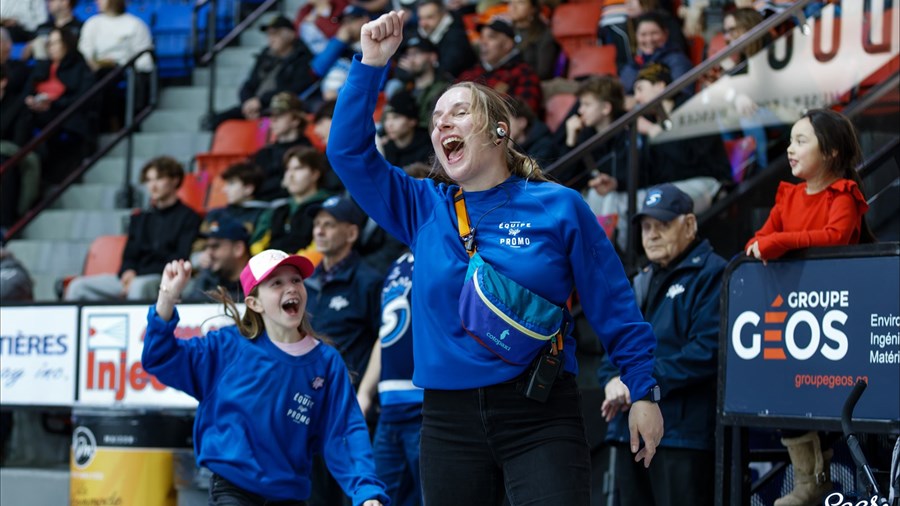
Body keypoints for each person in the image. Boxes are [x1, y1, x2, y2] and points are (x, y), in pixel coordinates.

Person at [327, 11, 664, 505]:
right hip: (447, 421)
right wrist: (370, 66)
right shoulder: (422, 205)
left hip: (541, 412)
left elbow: (613, 303)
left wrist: (642, 389)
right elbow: (348, 154)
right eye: (437, 119)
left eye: (458, 112)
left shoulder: (559, 205)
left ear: (499, 130)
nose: (443, 124)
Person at [141, 250, 388, 505]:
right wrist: (166, 299)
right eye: (277, 283)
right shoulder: (226, 348)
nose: (291, 288)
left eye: (296, 280)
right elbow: (159, 358)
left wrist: (366, 490)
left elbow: (345, 431)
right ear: (254, 304)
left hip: (289, 495)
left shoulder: (326, 363)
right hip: (232, 490)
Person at [745, 109, 873, 506]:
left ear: (832, 151)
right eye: (790, 141)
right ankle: (808, 481)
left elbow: (835, 238)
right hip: (796, 319)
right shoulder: (788, 195)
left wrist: (780, 243)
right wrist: (771, 241)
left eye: (802, 141)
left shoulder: (844, 194)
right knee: (784, 392)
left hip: (840, 321)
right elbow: (758, 239)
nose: (790, 149)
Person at [598, 183, 725, 506]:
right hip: (630, 433)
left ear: (690, 225)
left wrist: (635, 380)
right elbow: (612, 348)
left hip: (684, 435)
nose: (651, 235)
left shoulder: (715, 273)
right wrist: (613, 379)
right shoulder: (640, 279)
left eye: (663, 225)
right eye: (646, 227)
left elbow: (706, 353)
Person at [355, 162, 430, 506]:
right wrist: (366, 391)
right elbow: (387, 335)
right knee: (377, 499)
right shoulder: (399, 262)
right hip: (389, 409)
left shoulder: (447, 252)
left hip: (427, 406)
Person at [304, 195, 384, 506]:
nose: (319, 232)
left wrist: (365, 393)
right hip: (309, 409)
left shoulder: (369, 281)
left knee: (355, 496)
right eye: (316, 225)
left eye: (329, 224)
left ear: (351, 233)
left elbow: (384, 340)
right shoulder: (304, 284)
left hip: (351, 413)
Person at [66, 157, 202, 301]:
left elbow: (180, 257)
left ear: (175, 180)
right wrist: (127, 272)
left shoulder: (189, 217)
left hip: (163, 278)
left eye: (159, 179)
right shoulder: (140, 217)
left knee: (139, 286)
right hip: (134, 278)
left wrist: (136, 276)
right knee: (78, 287)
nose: (152, 186)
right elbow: (129, 255)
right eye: (149, 180)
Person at [23, 27, 96, 185]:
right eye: (49, 44)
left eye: (56, 43)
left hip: (62, 116)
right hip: (34, 115)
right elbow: (27, 91)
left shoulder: (80, 67)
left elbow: (83, 98)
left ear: (67, 44)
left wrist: (52, 103)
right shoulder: (43, 66)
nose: (51, 47)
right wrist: (30, 100)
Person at [250, 146, 332, 256]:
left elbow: (323, 248)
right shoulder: (277, 210)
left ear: (315, 174)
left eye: (298, 168)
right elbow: (256, 245)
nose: (290, 175)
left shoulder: (329, 207)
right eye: (288, 169)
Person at [457, 16, 543, 117]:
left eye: (491, 37)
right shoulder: (470, 73)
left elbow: (525, 113)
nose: (483, 42)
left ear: (508, 44)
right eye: (482, 37)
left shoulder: (524, 72)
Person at [618, 11, 693, 103]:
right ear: (636, 36)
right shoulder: (635, 63)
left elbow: (684, 95)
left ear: (665, 34)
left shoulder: (677, 60)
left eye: (654, 33)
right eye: (643, 34)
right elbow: (622, 93)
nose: (649, 39)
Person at [252, 92, 313, 202]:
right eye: (271, 115)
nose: (273, 120)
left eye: (279, 115)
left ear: (296, 120)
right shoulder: (264, 153)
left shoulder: (308, 153)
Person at [182, 217, 251, 303]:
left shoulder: (259, 283)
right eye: (206, 247)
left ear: (238, 249)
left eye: (215, 246)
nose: (208, 253)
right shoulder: (207, 279)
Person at [414, 0, 476, 78]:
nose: (423, 24)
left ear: (443, 14)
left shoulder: (456, 36)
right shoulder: (426, 35)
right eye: (420, 18)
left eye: (429, 17)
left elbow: (449, 70)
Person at [380, 89, 432, 168]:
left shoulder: (429, 149)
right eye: (386, 118)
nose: (389, 124)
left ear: (412, 121)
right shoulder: (385, 148)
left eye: (395, 118)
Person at [507, 0, 558, 80]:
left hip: (529, 83)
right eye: (511, 2)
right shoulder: (505, 31)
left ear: (533, 8)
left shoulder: (544, 33)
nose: (513, 7)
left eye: (520, 3)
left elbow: (543, 72)